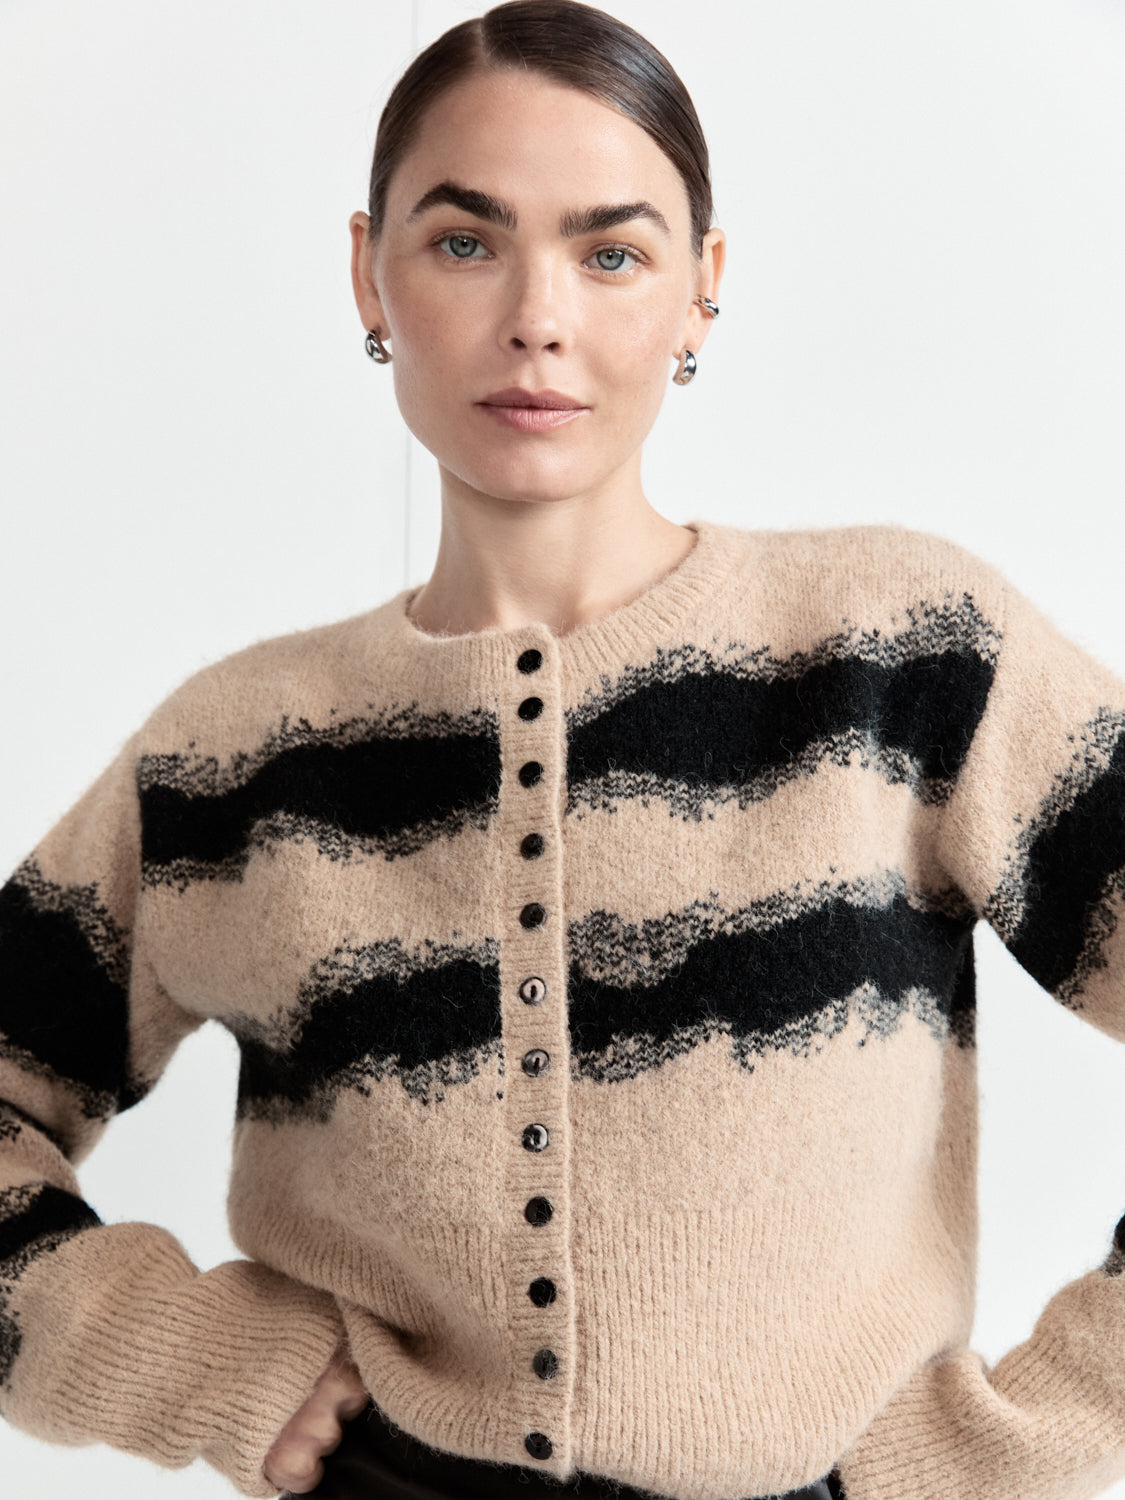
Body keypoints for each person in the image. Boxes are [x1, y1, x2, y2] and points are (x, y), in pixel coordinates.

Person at [2, 2, 1125, 1499]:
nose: (538, 315)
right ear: (371, 272)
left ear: (701, 290)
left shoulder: (904, 662)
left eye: (611, 254)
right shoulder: (235, 758)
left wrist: (1019, 1445)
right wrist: (176, 1355)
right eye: (466, 242)